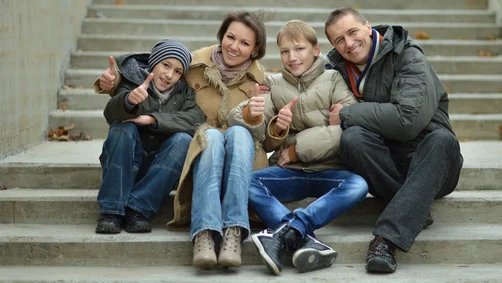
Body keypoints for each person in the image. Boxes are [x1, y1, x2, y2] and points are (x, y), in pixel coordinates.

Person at [95, 11, 269, 269]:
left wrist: (258, 120)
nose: (234, 46)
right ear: (221, 36)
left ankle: (230, 229)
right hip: (191, 149)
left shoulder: (260, 81)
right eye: (230, 37)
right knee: (188, 135)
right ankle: (200, 233)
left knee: (213, 135)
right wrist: (113, 84)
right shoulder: (194, 65)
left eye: (245, 43)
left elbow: (265, 136)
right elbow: (142, 72)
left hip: (233, 155)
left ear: (255, 50)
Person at [324, 8, 464, 273]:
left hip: (430, 162)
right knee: (352, 139)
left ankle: (385, 241)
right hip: (384, 165)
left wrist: (347, 113)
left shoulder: (407, 56)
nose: (349, 43)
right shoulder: (336, 71)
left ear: (367, 27)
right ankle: (413, 207)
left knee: (443, 141)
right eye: (339, 40)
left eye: (352, 32)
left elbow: (406, 120)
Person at [228, 20, 369, 275]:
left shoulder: (334, 79)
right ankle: (301, 237)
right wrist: (268, 123)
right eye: (284, 51)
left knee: (359, 185)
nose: (292, 58)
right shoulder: (274, 84)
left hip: (331, 170)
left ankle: (284, 231)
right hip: (290, 172)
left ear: (316, 50)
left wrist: (296, 149)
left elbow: (348, 128)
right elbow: (264, 139)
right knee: (247, 182)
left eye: (299, 49)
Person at [95, 39, 205, 235]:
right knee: (121, 129)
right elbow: (110, 114)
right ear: (154, 62)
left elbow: (196, 119)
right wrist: (128, 101)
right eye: (166, 65)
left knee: (183, 140)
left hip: (158, 168)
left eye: (178, 71)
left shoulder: (184, 93)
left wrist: (151, 119)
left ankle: (138, 209)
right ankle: (111, 210)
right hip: (126, 159)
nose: (169, 75)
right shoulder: (133, 82)